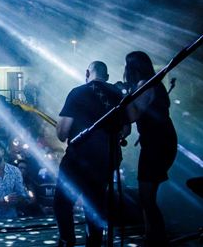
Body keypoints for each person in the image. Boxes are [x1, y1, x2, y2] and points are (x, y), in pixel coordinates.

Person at [53, 61, 123, 247]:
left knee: (62, 203)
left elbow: (62, 133)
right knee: (94, 205)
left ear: (87, 73)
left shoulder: (78, 93)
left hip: (78, 158)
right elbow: (126, 130)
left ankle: (67, 240)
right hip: (106, 158)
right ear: (107, 77)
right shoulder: (117, 94)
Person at [124, 51, 177, 246]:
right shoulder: (153, 84)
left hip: (157, 144)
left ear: (133, 67)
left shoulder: (145, 85)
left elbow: (132, 116)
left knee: (146, 196)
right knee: (147, 195)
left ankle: (158, 239)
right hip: (158, 141)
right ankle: (151, 236)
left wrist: (125, 97)